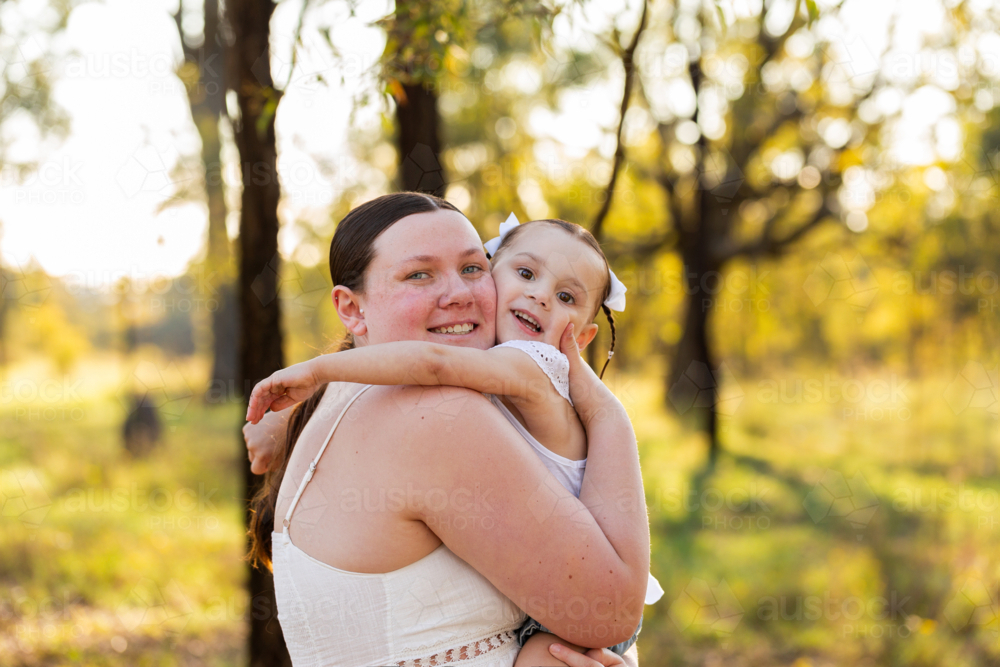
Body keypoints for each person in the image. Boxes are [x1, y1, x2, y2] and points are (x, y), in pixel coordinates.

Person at [245, 193, 650, 666]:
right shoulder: (436, 415)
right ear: (352, 309)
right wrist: (608, 414)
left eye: (473, 268)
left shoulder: (339, 401)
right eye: (419, 274)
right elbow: (611, 613)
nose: (459, 293)